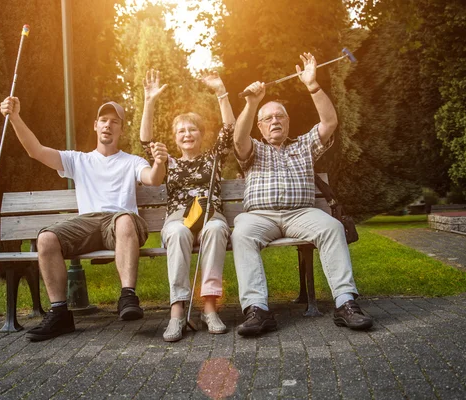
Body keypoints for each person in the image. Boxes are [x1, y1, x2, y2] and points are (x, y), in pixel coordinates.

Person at [0, 96, 168, 342]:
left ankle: (128, 296)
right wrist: (15, 117)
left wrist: (160, 162)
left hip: (121, 223)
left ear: (121, 129)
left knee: (123, 220)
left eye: (114, 122)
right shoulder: (78, 160)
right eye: (103, 120)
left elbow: (153, 178)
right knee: (46, 239)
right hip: (88, 223)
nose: (108, 125)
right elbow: (35, 151)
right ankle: (59, 314)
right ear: (95, 126)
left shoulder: (132, 161)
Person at [231, 52, 373, 336]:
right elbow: (238, 137)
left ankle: (346, 303)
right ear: (259, 126)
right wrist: (252, 104)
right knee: (242, 233)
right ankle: (257, 309)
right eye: (267, 118)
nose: (274, 121)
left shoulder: (303, 145)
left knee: (331, 227)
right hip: (260, 216)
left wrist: (313, 85)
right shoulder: (253, 149)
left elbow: (330, 123)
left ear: (288, 121)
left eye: (279, 116)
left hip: (301, 214)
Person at [140, 69, 235, 342]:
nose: (187, 133)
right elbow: (146, 140)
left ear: (201, 134)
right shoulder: (167, 160)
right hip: (179, 217)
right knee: (180, 233)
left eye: (192, 129)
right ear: (174, 137)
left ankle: (209, 308)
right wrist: (149, 101)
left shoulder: (212, 158)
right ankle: (177, 312)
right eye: (181, 130)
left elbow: (229, 129)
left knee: (216, 231)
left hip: (210, 214)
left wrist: (221, 92)